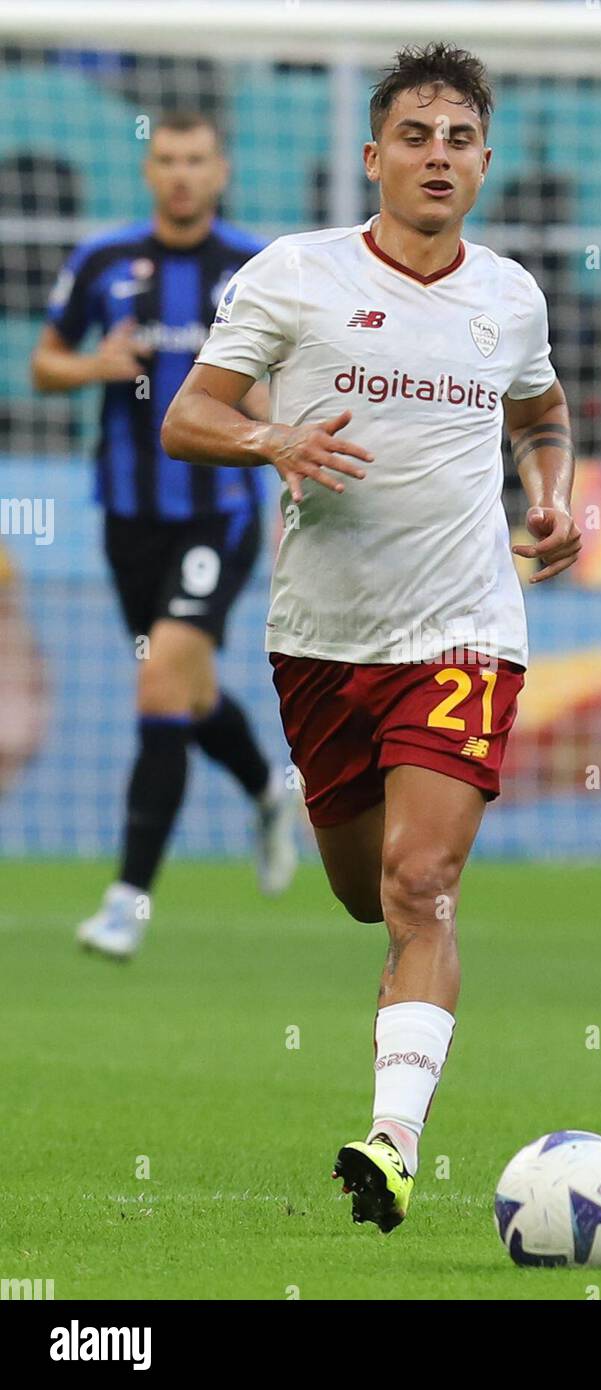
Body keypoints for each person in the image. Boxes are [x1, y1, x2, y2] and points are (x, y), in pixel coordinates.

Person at [162, 44, 581, 1231]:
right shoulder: (293, 275)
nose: (437, 156)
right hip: (320, 641)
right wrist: (272, 443)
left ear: (484, 162)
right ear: (372, 156)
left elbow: (541, 414)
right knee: (363, 895)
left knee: (421, 881)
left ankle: (393, 1140)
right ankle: (401, 1014)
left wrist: (554, 494)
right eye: (414, 136)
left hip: (463, 630)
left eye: (458, 139)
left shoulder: (509, 296)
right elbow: (190, 416)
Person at [31, 112, 298, 960]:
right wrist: (91, 368)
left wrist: (277, 437)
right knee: (180, 689)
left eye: (197, 159)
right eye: (167, 159)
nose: (182, 174)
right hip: (126, 516)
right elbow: (43, 364)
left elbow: (273, 385)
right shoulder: (103, 261)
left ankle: (125, 903)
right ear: (149, 170)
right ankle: (263, 788)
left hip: (217, 510)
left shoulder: (255, 268)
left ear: (221, 170)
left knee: (159, 688)